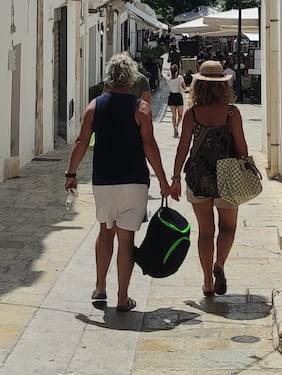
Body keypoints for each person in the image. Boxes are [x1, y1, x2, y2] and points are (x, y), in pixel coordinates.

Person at [66, 51, 172, 312]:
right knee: (126, 240)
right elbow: (150, 145)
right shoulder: (141, 108)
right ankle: (123, 297)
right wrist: (163, 180)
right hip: (134, 181)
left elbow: (81, 142)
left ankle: (100, 287)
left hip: (103, 180)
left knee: (105, 231)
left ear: (109, 77)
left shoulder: (95, 106)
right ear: (132, 78)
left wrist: (71, 173)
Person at [170, 60, 249, 298]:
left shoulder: (192, 114)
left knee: (205, 231)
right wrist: (248, 167)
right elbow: (242, 147)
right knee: (228, 227)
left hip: (198, 176)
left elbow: (182, 148)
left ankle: (206, 282)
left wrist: (175, 178)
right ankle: (220, 265)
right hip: (228, 176)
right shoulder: (232, 112)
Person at [165, 62, 186, 138]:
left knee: (174, 115)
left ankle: (174, 130)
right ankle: (177, 125)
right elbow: (184, 87)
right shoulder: (180, 78)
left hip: (172, 96)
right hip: (178, 96)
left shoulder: (168, 79)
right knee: (180, 115)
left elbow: (168, 85)